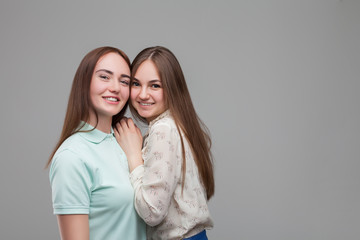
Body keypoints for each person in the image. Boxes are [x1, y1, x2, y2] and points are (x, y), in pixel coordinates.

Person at [115, 46, 214, 240]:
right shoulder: (179, 124)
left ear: (172, 89)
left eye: (155, 86)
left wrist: (134, 157)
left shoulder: (164, 130)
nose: (143, 94)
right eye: (136, 84)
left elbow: (152, 212)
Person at [46, 46, 146, 240]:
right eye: (104, 77)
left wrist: (135, 154)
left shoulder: (129, 140)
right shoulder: (72, 157)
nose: (116, 87)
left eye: (124, 81)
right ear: (84, 82)